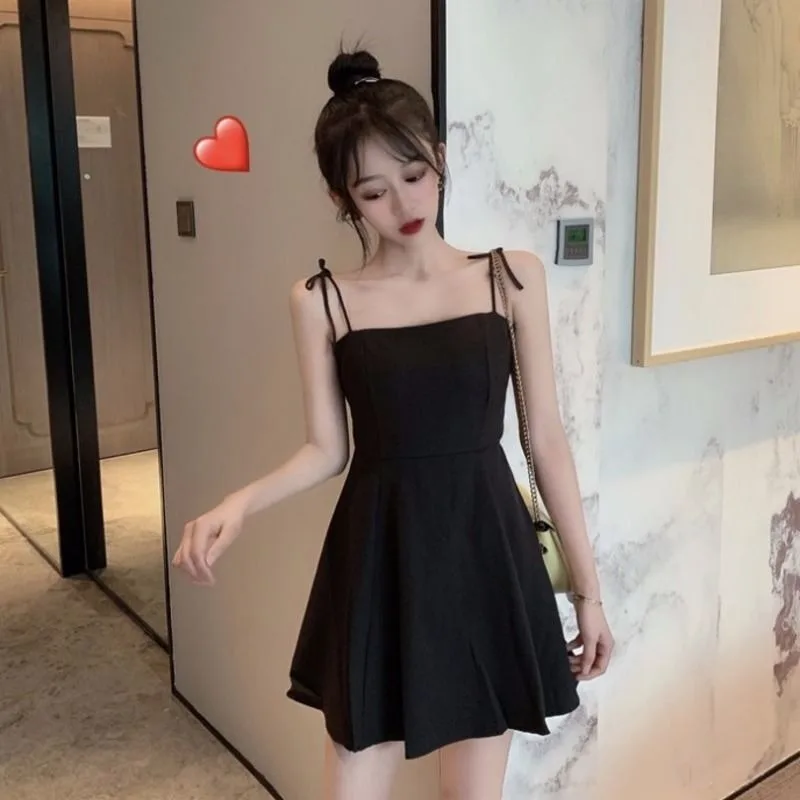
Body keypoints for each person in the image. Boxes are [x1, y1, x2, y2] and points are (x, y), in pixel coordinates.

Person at [172, 47, 614, 800]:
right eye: (373, 192)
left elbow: (545, 440)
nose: (403, 203)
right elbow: (327, 449)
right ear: (342, 199)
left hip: (485, 545)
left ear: (440, 158)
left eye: (414, 176)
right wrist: (238, 503)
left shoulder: (511, 277)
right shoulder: (321, 300)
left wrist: (588, 594)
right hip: (379, 552)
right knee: (354, 774)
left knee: (472, 793)